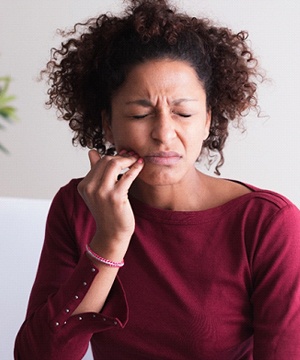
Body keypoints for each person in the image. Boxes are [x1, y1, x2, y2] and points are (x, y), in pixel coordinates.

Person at [14, 0, 300, 359]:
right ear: (107, 123)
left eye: (184, 112)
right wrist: (109, 242)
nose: (164, 134)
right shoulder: (78, 206)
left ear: (208, 120)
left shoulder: (266, 223)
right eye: (139, 114)